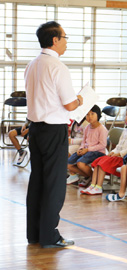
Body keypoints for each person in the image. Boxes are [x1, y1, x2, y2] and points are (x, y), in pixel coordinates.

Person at [25, 21, 83, 248]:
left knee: (37, 181)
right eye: (65, 37)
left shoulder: (32, 64)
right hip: (53, 130)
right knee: (55, 184)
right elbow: (70, 105)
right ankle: (49, 236)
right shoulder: (58, 67)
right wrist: (81, 99)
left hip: (36, 128)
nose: (67, 41)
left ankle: (35, 234)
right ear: (55, 40)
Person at [81, 106, 127, 195]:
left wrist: (118, 154)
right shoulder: (125, 130)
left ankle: (98, 187)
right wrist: (113, 152)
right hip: (116, 155)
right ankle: (92, 185)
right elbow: (119, 145)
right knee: (98, 161)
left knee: (102, 164)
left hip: (123, 158)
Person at [67, 105, 108, 186]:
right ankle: (89, 176)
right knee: (68, 164)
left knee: (80, 163)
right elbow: (83, 141)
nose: (90, 117)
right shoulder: (87, 127)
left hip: (98, 152)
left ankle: (93, 178)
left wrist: (88, 149)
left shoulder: (102, 128)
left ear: (98, 115)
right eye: (87, 114)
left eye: (92, 114)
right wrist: (81, 148)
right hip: (86, 150)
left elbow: (102, 145)